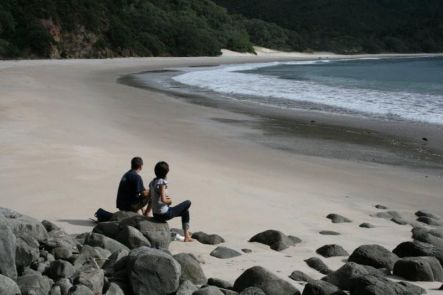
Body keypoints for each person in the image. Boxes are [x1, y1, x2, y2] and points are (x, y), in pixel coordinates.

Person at [149, 161, 193, 242]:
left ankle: (187, 236)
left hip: (155, 214)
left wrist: (147, 213)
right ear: (166, 173)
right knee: (188, 203)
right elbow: (163, 199)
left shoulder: (152, 182)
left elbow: (151, 198)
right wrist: (169, 201)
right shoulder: (162, 182)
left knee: (185, 212)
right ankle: (186, 237)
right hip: (164, 214)